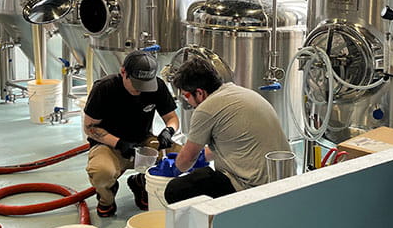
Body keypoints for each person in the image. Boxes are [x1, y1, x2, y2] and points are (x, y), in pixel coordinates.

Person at [163, 56, 291, 204]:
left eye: (186, 96)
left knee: (175, 190)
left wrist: (172, 169)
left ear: (199, 93)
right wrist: (203, 156)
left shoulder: (206, 109)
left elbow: (186, 160)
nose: (188, 102)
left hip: (252, 189)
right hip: (284, 181)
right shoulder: (239, 92)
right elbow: (234, 144)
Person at [83, 50, 179, 217]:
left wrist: (168, 131)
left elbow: (171, 117)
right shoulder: (104, 88)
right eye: (136, 84)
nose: (140, 90)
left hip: (143, 141)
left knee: (182, 157)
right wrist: (119, 143)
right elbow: (90, 127)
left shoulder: (157, 86)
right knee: (102, 171)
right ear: (123, 72)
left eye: (145, 85)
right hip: (109, 144)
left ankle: (141, 182)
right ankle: (107, 196)